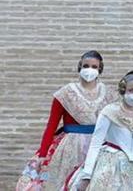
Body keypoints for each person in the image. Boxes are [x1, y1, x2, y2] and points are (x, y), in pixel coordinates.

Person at [17, 50, 117, 191]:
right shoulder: (65, 93)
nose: (90, 70)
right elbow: (52, 125)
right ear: (79, 67)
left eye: (94, 67)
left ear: (100, 68)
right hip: (70, 147)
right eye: (86, 66)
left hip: (100, 144)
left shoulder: (110, 94)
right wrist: (43, 154)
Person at [72, 71, 133, 191]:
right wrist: (87, 174)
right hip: (111, 165)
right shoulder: (109, 111)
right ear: (123, 90)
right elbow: (95, 143)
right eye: (132, 90)